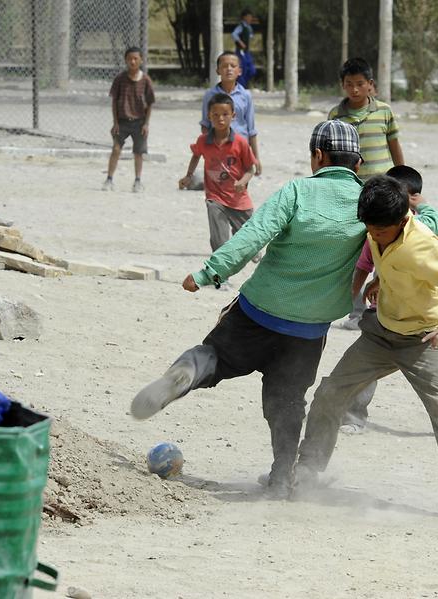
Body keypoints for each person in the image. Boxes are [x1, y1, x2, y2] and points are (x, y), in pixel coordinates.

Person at [130, 121, 375, 498]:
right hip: (308, 331)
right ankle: (281, 477)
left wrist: (209, 272)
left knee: (214, 356)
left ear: (318, 156)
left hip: (259, 310)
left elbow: (253, 235)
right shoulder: (366, 204)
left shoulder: (298, 190)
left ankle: (190, 371)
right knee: (288, 401)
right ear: (356, 163)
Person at [294, 175, 438, 526]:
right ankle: (307, 471)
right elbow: (391, 260)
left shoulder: (424, 246)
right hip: (380, 333)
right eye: (370, 228)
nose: (374, 235)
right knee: (330, 392)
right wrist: (380, 280)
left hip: (423, 339)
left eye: (380, 231)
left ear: (401, 221)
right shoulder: (378, 229)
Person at [339, 165, 438, 435]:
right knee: (364, 365)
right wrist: (352, 298)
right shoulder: (375, 232)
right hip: (382, 311)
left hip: (421, 321)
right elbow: (364, 265)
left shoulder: (424, 234)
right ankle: (353, 414)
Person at [179, 93, 256, 255]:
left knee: (249, 238)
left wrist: (243, 181)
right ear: (209, 116)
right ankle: (220, 274)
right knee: (218, 239)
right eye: (215, 115)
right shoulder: (203, 141)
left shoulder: (240, 143)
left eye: (225, 114)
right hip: (215, 197)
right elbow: (196, 155)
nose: (220, 118)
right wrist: (188, 176)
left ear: (233, 116)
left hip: (238, 199)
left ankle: (252, 251)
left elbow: (251, 168)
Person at [329, 57, 403, 182]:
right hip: (350, 183)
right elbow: (331, 153)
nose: (355, 90)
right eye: (349, 84)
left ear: (370, 84)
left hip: (383, 182)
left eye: (360, 84)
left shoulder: (384, 111)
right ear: (342, 84)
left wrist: (403, 177)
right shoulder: (335, 116)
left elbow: (394, 146)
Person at [103, 47, 155, 193]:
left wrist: (146, 123)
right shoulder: (120, 79)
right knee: (116, 149)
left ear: (141, 60)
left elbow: (150, 102)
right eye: (129, 59)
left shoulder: (145, 80)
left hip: (139, 122)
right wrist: (115, 122)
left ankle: (137, 181)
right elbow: (114, 101)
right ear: (126, 60)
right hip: (122, 121)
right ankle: (109, 179)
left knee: (138, 152)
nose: (132, 61)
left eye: (135, 59)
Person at [200, 52, 262, 177]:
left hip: (240, 149)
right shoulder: (210, 95)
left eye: (233, 66)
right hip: (218, 150)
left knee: (239, 187)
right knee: (218, 188)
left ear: (239, 71)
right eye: (224, 66)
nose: (228, 69)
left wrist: (256, 158)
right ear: (218, 70)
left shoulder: (245, 96)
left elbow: (251, 130)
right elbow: (205, 126)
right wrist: (208, 151)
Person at [232, 9, 258, 88]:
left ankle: (242, 84)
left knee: (252, 70)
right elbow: (234, 34)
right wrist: (240, 42)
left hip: (246, 52)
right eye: (249, 17)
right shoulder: (240, 26)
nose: (250, 19)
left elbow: (250, 36)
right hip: (240, 51)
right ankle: (240, 86)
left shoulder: (249, 27)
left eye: (251, 17)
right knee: (241, 69)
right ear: (244, 17)